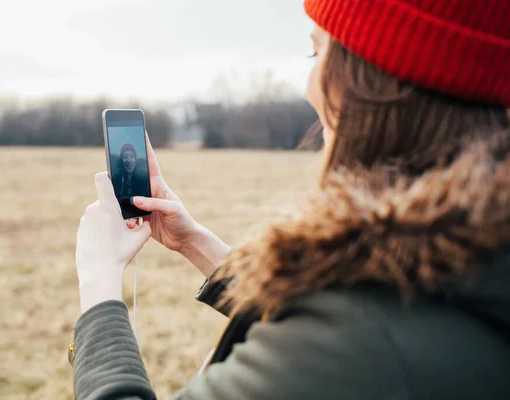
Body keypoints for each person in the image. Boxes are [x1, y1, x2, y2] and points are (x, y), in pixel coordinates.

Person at [70, 1, 510, 399]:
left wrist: (100, 286)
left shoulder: (363, 338)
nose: (308, 88)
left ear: (373, 85)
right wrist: (195, 243)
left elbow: (342, 339)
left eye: (317, 53)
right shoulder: (462, 267)